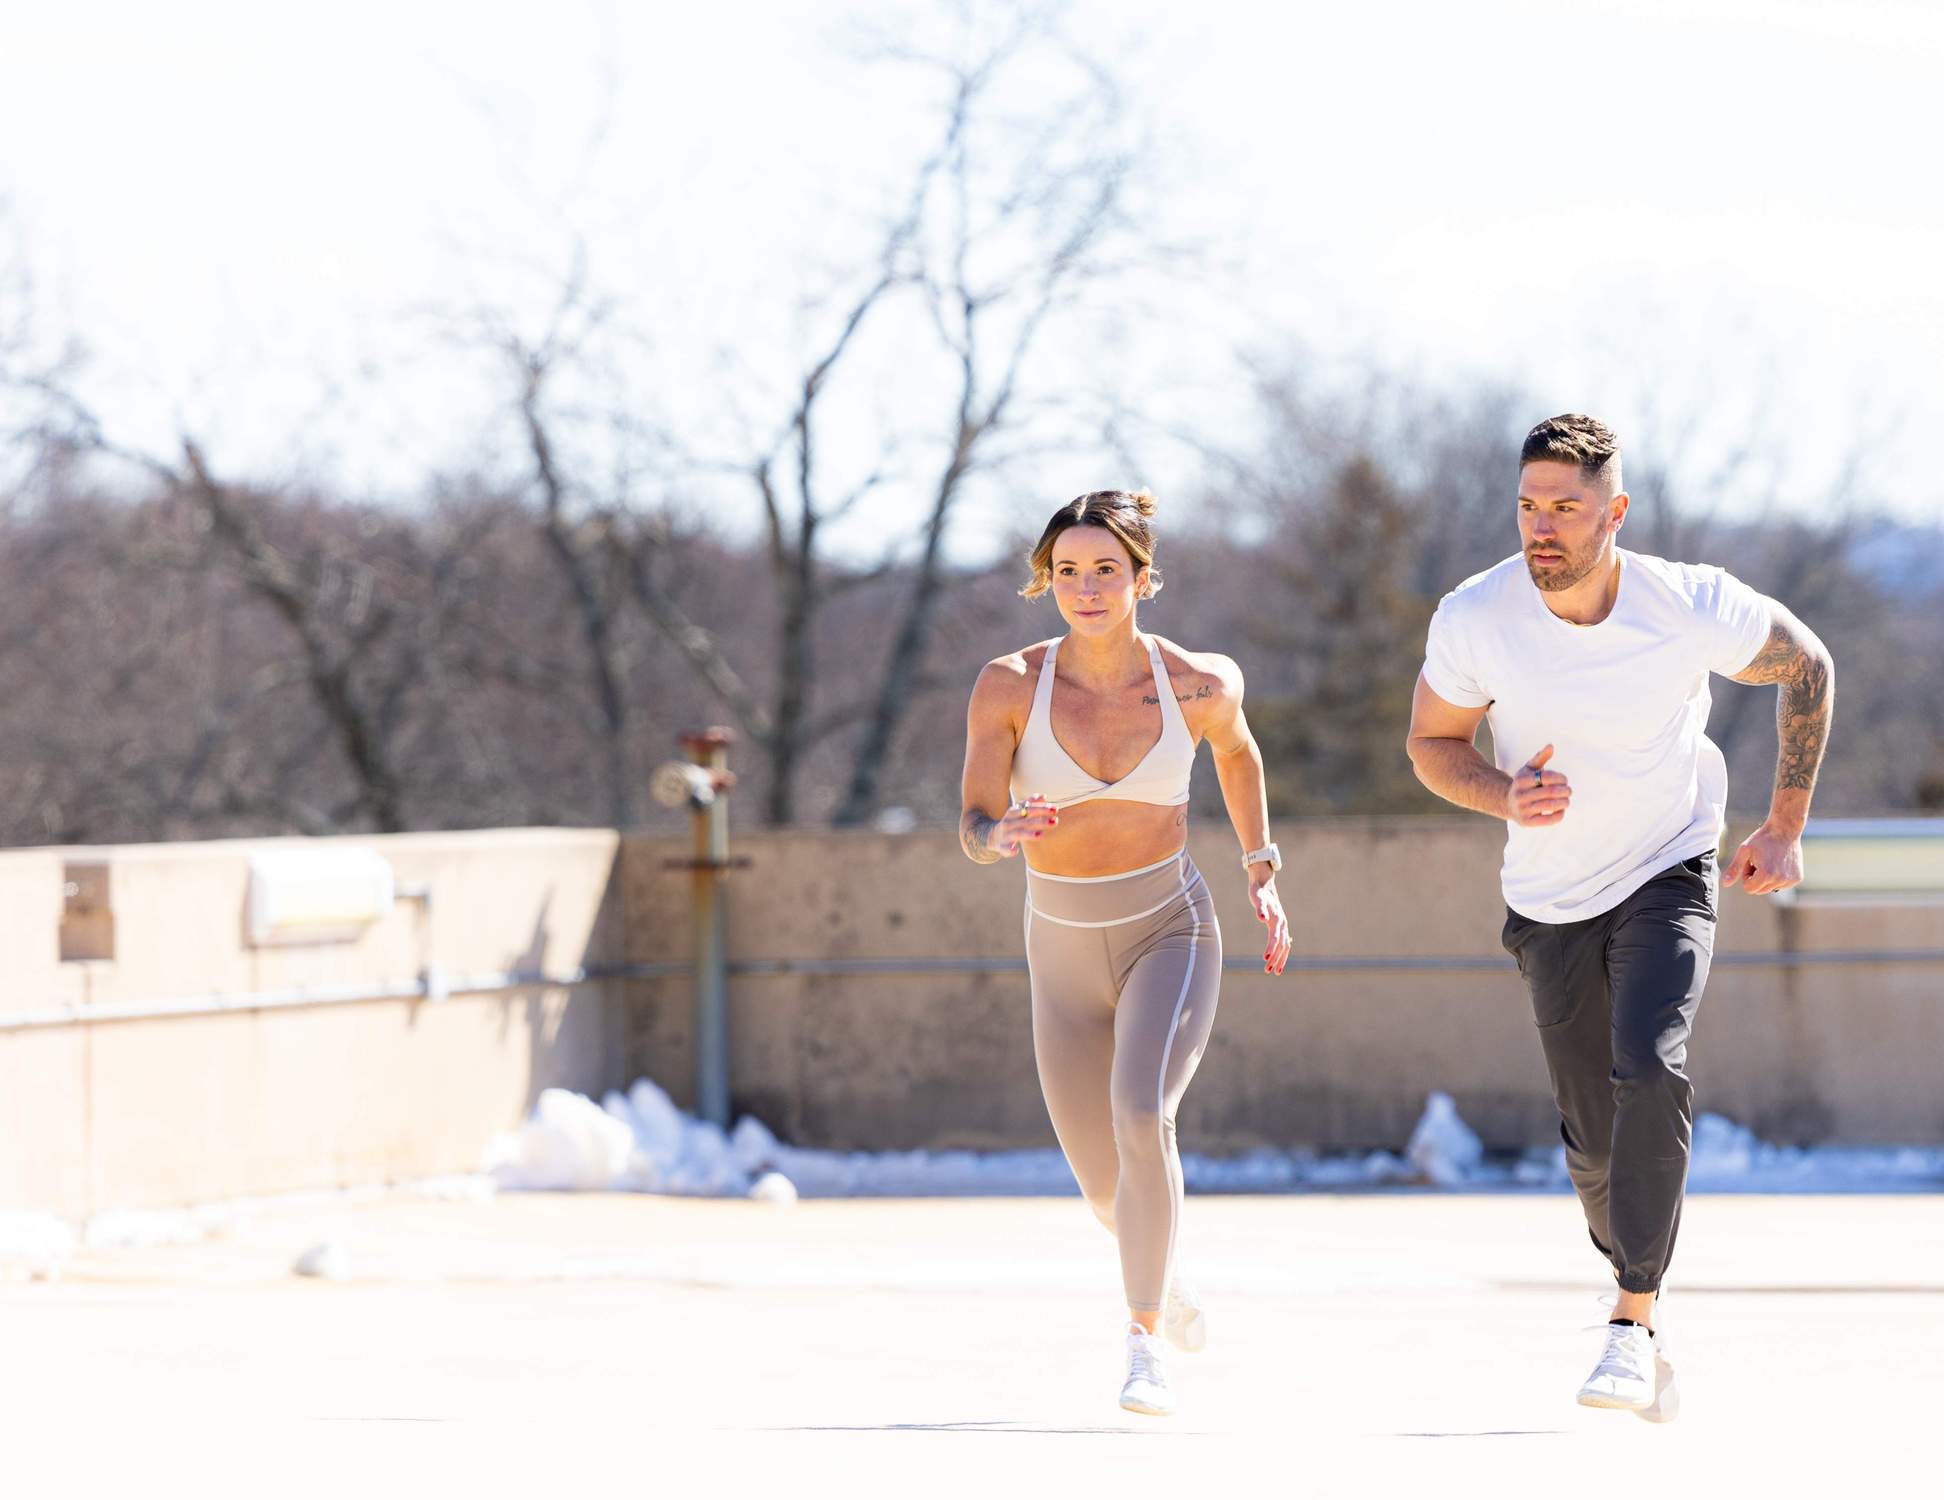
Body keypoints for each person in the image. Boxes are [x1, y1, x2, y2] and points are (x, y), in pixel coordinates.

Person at [1405, 414, 1835, 1420]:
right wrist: (1505, 794)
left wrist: (1782, 825)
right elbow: (1432, 743)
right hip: (1549, 897)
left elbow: (1807, 667)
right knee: (1594, 1144)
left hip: (1669, 867)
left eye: (1566, 507)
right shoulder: (1476, 615)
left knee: (1648, 1064)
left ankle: (1631, 1319)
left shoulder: (1687, 603)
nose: (1541, 526)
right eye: (1528, 506)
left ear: (1616, 512)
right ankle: (1637, 1280)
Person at [959, 489, 1292, 1417]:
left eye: (1107, 569)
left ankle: (1144, 1346)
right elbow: (973, 825)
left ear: (1143, 578)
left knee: (1142, 1116)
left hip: (1168, 932)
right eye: (1068, 571)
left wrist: (1261, 868)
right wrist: (1000, 834)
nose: (1087, 588)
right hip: (1059, 952)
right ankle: (1163, 1272)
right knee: (1105, 1189)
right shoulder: (1007, 685)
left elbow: (1239, 755)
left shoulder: (1197, 683)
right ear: (1047, 581)